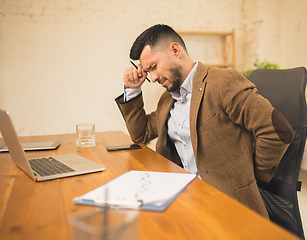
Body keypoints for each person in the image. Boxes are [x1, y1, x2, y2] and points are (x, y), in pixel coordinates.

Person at [115, 24, 294, 218]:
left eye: (154, 67)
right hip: (182, 200)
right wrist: (132, 89)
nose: (154, 77)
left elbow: (277, 130)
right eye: (148, 72)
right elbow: (140, 134)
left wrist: (253, 176)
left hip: (226, 207)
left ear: (175, 50)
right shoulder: (167, 100)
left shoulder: (222, 83)